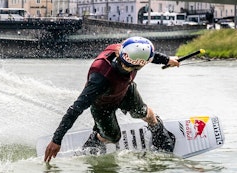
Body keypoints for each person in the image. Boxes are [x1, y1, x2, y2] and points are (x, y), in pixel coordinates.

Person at [43, 36, 180, 162]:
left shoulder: (127, 52)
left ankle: (158, 130)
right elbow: (75, 109)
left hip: (125, 90)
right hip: (102, 105)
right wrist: (56, 140)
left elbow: (150, 56)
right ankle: (96, 138)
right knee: (113, 137)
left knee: (142, 112)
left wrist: (168, 60)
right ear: (137, 65)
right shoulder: (100, 78)